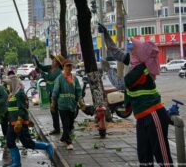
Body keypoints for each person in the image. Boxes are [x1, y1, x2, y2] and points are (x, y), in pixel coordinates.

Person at [99, 24, 174, 167]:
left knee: (163, 158)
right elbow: (116, 53)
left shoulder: (140, 69)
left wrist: (108, 70)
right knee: (144, 157)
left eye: (134, 49)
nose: (131, 50)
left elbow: (120, 84)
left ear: (141, 55)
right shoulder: (136, 63)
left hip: (154, 115)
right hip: (142, 117)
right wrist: (106, 35)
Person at [3, 74, 53, 167]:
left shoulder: (19, 93)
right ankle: (16, 163)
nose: (7, 86)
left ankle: (47, 146)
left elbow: (22, 108)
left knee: (27, 143)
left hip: (20, 123)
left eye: (9, 84)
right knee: (10, 142)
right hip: (12, 123)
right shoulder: (11, 94)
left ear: (13, 84)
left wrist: (19, 120)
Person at [51, 59, 82, 150]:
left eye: (70, 66)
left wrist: (80, 101)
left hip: (72, 105)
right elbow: (55, 91)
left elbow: (78, 90)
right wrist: (53, 103)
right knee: (66, 123)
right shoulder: (60, 78)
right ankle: (69, 142)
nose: (69, 67)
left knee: (71, 123)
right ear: (64, 67)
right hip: (62, 105)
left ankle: (63, 137)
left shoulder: (74, 78)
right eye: (67, 66)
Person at [33, 54, 65, 135]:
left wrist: (42, 74)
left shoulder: (58, 72)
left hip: (57, 94)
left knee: (60, 111)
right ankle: (56, 128)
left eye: (54, 60)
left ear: (57, 63)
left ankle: (66, 128)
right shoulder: (50, 68)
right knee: (53, 111)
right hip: (51, 93)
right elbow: (41, 67)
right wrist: (36, 60)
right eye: (53, 60)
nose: (52, 61)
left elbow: (48, 78)